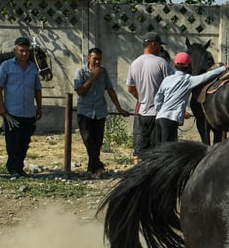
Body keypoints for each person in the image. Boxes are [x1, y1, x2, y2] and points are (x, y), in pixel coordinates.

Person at [72, 46, 130, 176]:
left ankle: (93, 168)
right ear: (88, 58)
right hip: (85, 112)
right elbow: (80, 91)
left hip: (100, 111)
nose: (97, 62)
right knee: (88, 140)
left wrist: (119, 108)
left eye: (99, 59)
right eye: (95, 59)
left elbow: (110, 90)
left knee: (97, 142)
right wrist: (92, 78)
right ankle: (96, 166)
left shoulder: (104, 72)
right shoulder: (80, 72)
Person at [0, 35, 43, 178]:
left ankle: (19, 168)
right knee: (13, 142)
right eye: (21, 51)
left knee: (24, 142)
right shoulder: (6, 66)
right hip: (12, 112)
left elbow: (37, 89)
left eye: (27, 51)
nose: (24, 54)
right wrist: (1, 107)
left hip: (28, 112)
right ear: (15, 50)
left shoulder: (33, 67)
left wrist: (39, 107)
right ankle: (13, 169)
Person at [153, 51, 226, 144]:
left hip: (159, 118)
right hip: (171, 119)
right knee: (167, 149)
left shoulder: (167, 79)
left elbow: (157, 99)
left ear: (175, 65)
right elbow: (206, 76)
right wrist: (224, 68)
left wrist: (161, 110)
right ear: (188, 66)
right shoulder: (188, 80)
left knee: (159, 147)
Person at [126, 31, 173, 162]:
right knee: (156, 152)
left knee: (140, 153)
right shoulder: (161, 63)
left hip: (140, 113)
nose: (160, 49)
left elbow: (130, 88)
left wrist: (141, 99)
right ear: (153, 44)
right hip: (157, 114)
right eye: (159, 45)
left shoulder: (134, 63)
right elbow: (172, 86)